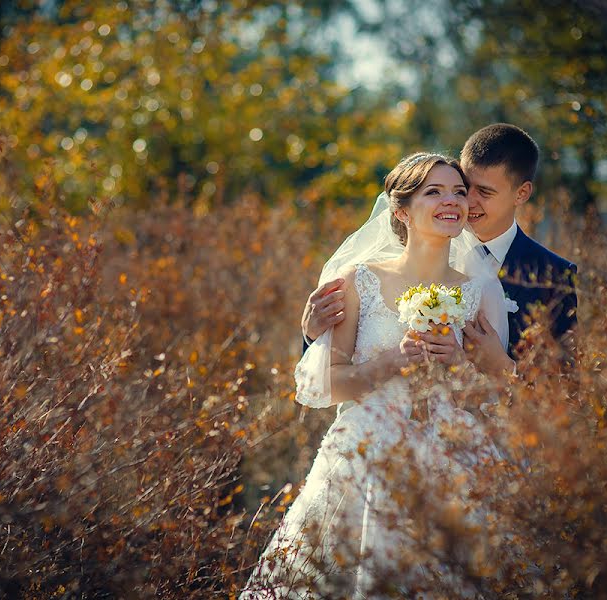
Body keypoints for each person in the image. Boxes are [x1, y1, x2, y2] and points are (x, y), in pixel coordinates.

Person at [241, 153, 512, 598]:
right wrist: (390, 364)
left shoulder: (482, 290)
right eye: (434, 191)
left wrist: (460, 367)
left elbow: (493, 400)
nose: (452, 201)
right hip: (366, 454)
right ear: (401, 211)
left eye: (459, 192)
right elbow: (324, 386)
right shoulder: (357, 280)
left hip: (451, 455)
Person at [303, 124, 578, 376]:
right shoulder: (388, 259)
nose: (466, 201)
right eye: (464, 187)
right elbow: (323, 374)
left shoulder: (553, 274)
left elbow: (567, 386)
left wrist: (505, 367)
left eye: (484, 192)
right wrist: (313, 335)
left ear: (521, 194)